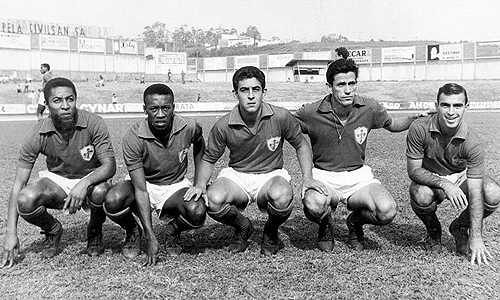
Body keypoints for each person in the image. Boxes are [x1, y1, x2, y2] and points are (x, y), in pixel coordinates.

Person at [186, 66, 325, 256]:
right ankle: (243, 227)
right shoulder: (223, 125)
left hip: (271, 174)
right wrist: (200, 184)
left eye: (256, 89)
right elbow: (209, 158)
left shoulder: (281, 117)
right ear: (235, 93)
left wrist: (308, 178)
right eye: (244, 90)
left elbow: (301, 145)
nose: (251, 96)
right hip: (238, 175)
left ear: (263, 91)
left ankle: (270, 231)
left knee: (282, 195)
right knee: (213, 199)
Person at [295, 58, 429, 252]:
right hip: (325, 177)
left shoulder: (370, 107)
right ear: (329, 86)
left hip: (358, 177)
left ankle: (355, 222)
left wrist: (413, 118)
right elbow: (287, 127)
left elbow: (392, 125)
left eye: (352, 83)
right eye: (341, 84)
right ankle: (325, 225)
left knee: (387, 211)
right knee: (314, 204)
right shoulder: (311, 112)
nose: (348, 90)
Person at [0, 77, 116, 268]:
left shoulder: (94, 122)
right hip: (59, 182)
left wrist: (84, 183)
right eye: (57, 101)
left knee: (101, 191)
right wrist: (11, 232)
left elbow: (109, 166)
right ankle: (53, 229)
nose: (65, 106)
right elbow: (18, 184)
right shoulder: (38, 133)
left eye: (70, 99)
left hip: (92, 181)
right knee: (25, 198)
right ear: (46, 105)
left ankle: (94, 229)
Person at [104, 83, 206, 265]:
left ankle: (173, 231)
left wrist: (199, 182)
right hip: (145, 183)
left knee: (197, 211)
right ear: (145, 109)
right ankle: (133, 231)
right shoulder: (133, 137)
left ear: (173, 108)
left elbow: (199, 142)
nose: (160, 114)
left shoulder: (189, 127)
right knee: (113, 200)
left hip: (175, 185)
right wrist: (149, 235)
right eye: (154, 109)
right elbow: (141, 190)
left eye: (165, 108)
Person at [406, 83, 500, 266]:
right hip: (431, 178)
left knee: (492, 192)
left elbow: (474, 190)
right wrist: (444, 184)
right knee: (420, 194)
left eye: (457, 105)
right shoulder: (419, 128)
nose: (451, 112)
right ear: (437, 105)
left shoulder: (472, 142)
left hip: (461, 177)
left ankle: (460, 227)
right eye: (445, 105)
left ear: (466, 106)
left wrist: (476, 235)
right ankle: (433, 230)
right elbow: (414, 171)